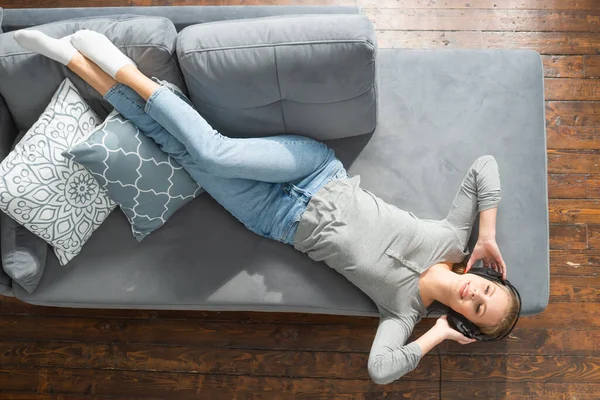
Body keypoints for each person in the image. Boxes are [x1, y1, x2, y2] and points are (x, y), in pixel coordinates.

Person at [13, 29, 521, 385]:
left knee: (179, 151)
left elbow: (380, 370)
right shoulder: (455, 239)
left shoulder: (402, 312)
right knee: (211, 149)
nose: (476, 293)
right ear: (491, 278)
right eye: (489, 290)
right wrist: (489, 235)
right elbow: (485, 167)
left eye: (477, 309)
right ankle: (119, 65)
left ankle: (73, 60)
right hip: (312, 172)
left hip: (273, 216)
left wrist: (435, 337)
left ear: (465, 321)